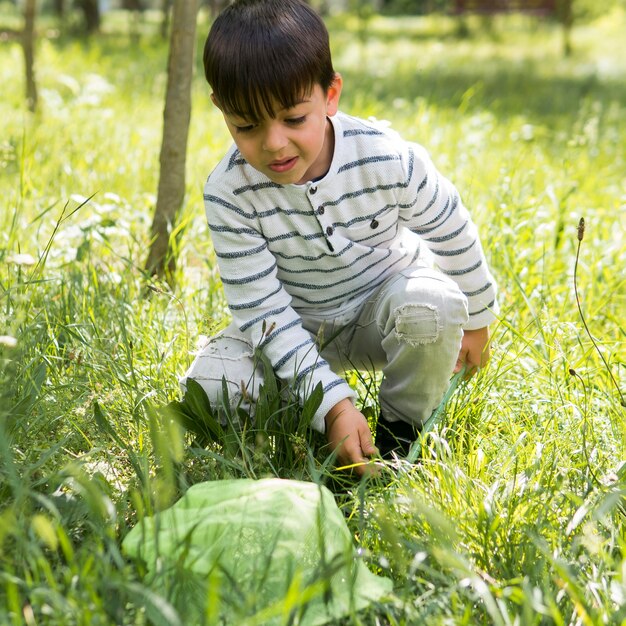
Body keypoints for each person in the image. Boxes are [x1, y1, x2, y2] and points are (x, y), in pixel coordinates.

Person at [181, 0, 498, 475]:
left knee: (434, 304)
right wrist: (332, 404)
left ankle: (398, 437)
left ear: (330, 95)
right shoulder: (229, 192)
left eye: (293, 119)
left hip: (382, 311)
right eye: (246, 125)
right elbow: (262, 312)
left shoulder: (386, 157)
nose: (273, 143)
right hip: (296, 325)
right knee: (210, 386)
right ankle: (315, 425)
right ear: (222, 110)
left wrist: (478, 315)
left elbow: (448, 223)